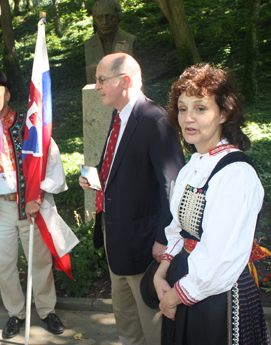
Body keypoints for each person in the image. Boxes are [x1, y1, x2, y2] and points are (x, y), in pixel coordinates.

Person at [153, 63, 270, 345]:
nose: (188, 118)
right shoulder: (194, 165)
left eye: (200, 108)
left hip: (217, 293)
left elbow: (220, 256)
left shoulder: (235, 172)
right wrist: (161, 274)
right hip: (184, 278)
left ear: (224, 113)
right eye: (182, 109)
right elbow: (178, 229)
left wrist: (175, 295)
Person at [79, 53, 185, 345]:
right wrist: (95, 178)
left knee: (153, 328)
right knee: (127, 324)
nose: (96, 85)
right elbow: (118, 167)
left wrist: (164, 239)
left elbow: (172, 186)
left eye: (101, 79)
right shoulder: (118, 115)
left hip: (145, 248)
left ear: (124, 81)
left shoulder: (155, 121)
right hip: (118, 243)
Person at [0, 69, 68, 339]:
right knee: (4, 265)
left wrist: (38, 197)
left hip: (29, 205)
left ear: (7, 95)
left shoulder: (29, 124)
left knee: (40, 261)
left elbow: (50, 158)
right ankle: (16, 313)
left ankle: (47, 310)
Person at [85, 0, 136, 84]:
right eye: (99, 18)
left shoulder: (129, 40)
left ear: (118, 17)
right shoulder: (89, 44)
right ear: (95, 20)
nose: (104, 22)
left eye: (110, 17)